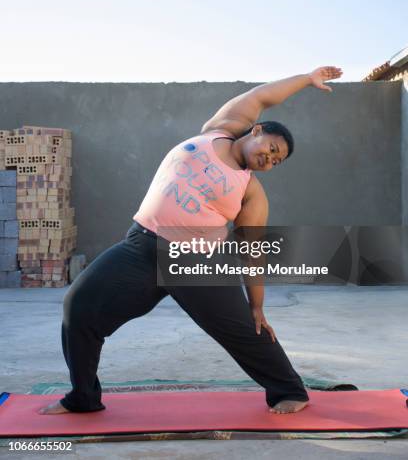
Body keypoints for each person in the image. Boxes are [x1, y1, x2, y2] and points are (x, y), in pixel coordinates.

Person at [39, 66, 342, 416]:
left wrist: (257, 305)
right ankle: (83, 397)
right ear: (256, 130)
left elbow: (251, 251)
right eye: (272, 148)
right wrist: (307, 79)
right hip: (140, 247)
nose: (270, 159)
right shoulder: (220, 130)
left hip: (194, 260)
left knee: (244, 331)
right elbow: (261, 96)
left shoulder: (251, 192)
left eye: (277, 161)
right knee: (79, 308)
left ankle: (290, 391)